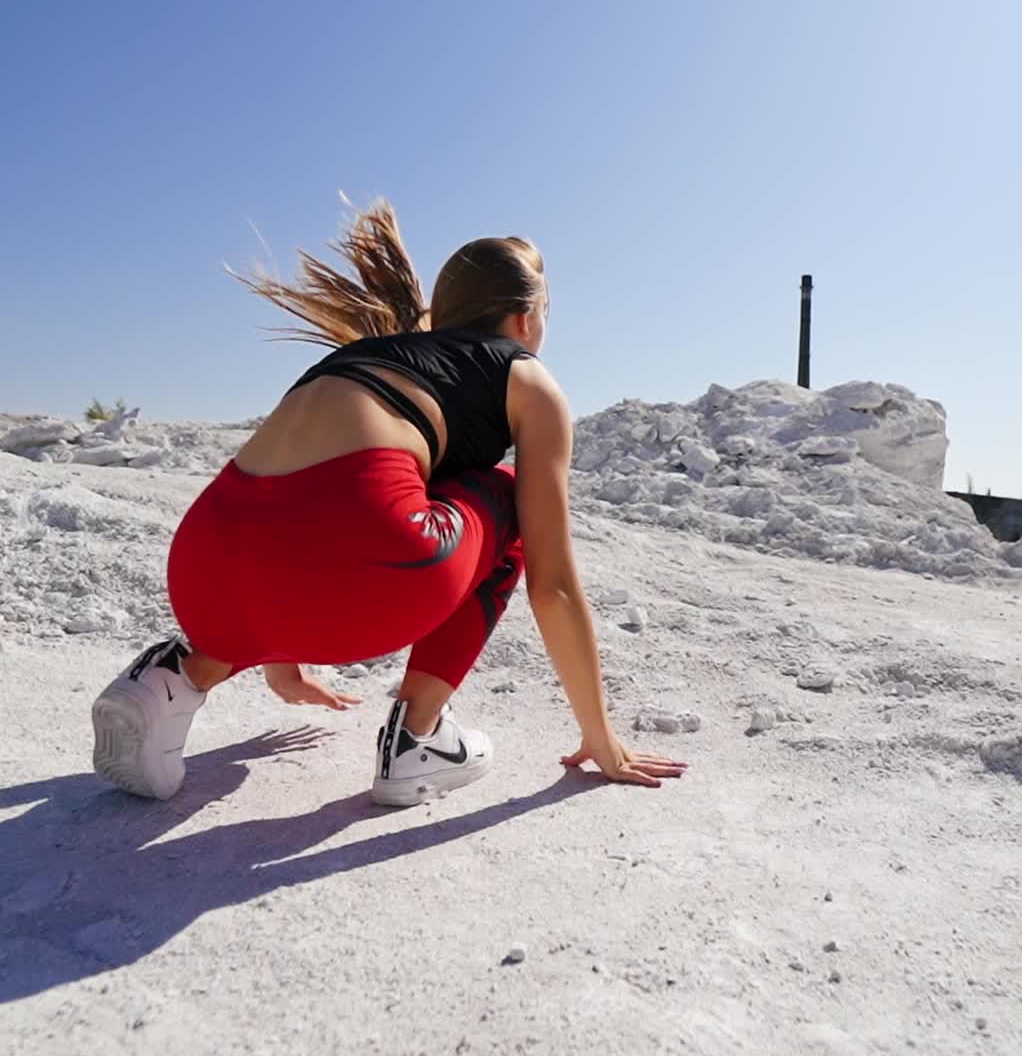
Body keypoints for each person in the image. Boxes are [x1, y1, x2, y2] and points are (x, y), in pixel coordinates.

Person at [91, 201, 687, 804]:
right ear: (526, 317)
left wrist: (281, 659)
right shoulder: (524, 376)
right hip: (363, 580)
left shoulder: (367, 357)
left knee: (395, 494)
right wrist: (601, 736)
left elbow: (285, 509)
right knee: (503, 501)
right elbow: (553, 583)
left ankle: (173, 679)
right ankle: (417, 738)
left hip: (203, 572)